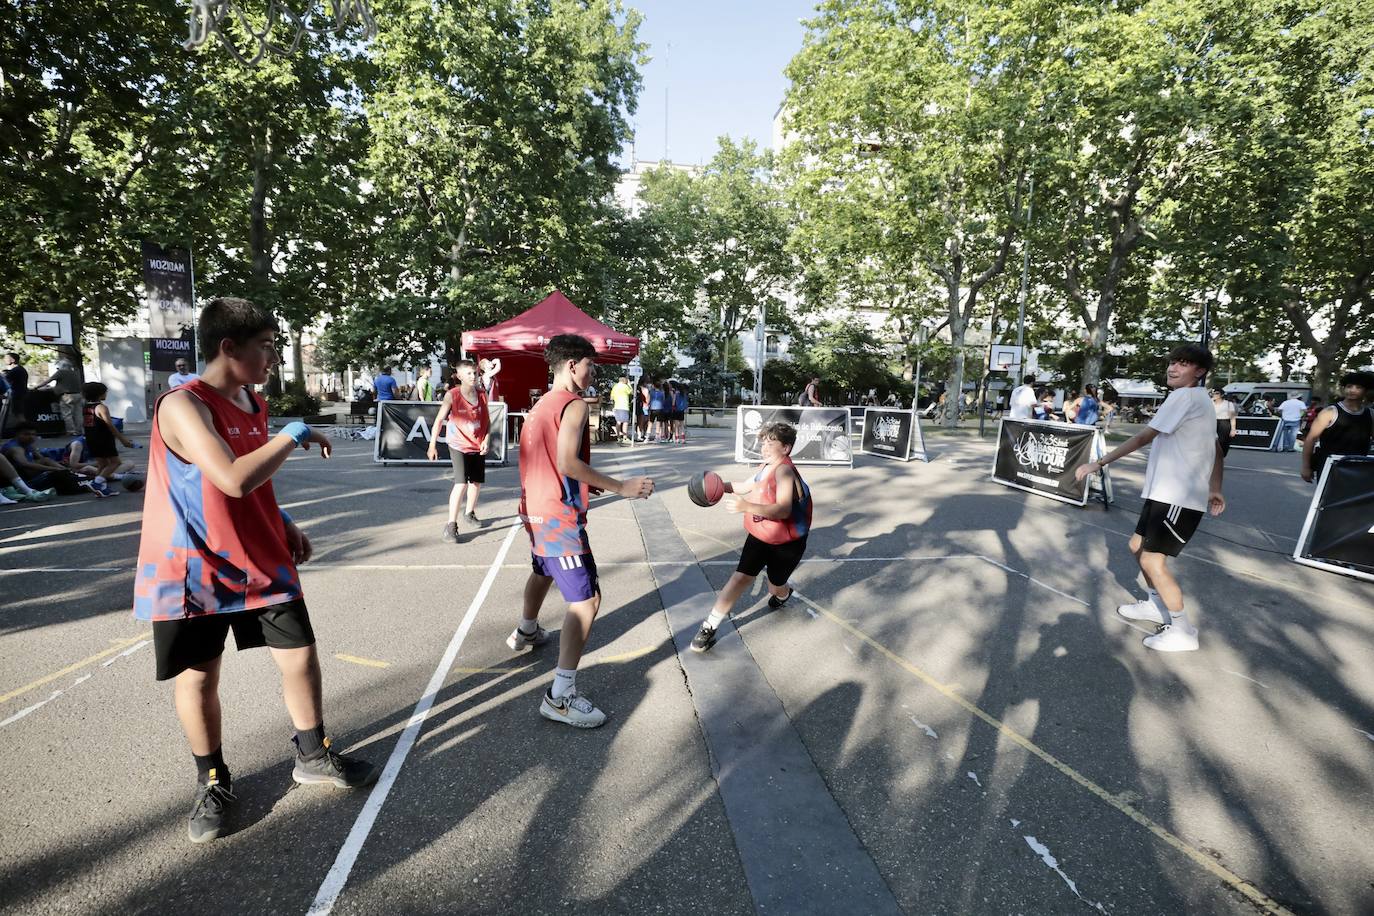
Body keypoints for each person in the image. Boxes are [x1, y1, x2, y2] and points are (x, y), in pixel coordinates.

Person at [132, 296, 378, 845]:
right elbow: (231, 478)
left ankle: (313, 753)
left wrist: (284, 519)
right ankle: (213, 779)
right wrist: (293, 434)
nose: (273, 359)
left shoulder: (249, 399)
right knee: (199, 675)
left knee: (300, 655)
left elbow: (254, 480)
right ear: (228, 347)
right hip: (195, 565)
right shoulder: (182, 405)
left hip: (260, 554)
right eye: (266, 348)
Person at [507, 334, 654, 727]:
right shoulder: (572, 406)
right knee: (587, 601)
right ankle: (560, 696)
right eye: (591, 365)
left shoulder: (538, 407)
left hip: (533, 509)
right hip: (558, 516)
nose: (594, 373)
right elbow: (568, 463)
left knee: (542, 569)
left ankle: (526, 630)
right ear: (572, 365)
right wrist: (621, 486)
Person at [1075, 344, 1225, 653]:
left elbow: (1143, 436)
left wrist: (1098, 463)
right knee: (1136, 547)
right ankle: (1157, 604)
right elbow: (1217, 448)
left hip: (1178, 497)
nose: (1173, 368)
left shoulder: (1186, 396)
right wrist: (1215, 487)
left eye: (1182, 364)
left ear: (1199, 372)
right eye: (1172, 362)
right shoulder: (1197, 400)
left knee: (1152, 560)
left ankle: (1184, 630)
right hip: (1164, 493)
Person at [691, 422, 813, 653]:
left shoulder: (784, 471)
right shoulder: (765, 466)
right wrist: (718, 487)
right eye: (763, 442)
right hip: (761, 535)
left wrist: (746, 507)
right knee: (740, 578)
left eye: (771, 443)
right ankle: (710, 625)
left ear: (785, 448)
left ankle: (783, 594)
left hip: (787, 543)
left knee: (775, 586)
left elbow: (784, 510)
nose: (764, 447)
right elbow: (746, 485)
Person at [427, 359, 490, 542]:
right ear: (459, 376)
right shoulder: (452, 395)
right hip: (457, 444)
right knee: (461, 483)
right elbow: (439, 421)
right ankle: (450, 525)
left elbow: (487, 421)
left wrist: (486, 439)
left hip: (476, 443)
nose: (473, 376)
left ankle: (469, 513)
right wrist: (432, 445)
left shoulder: (482, 394)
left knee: (476, 482)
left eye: (475, 373)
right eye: (468, 373)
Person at [1301, 371, 1373, 483]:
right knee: (1327, 500)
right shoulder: (1329, 412)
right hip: (1330, 466)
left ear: (1366, 391)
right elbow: (1310, 439)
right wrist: (1306, 466)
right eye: (1349, 386)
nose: (1352, 390)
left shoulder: (1371, 414)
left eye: (1358, 387)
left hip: (1358, 467)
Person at [2, 422, 103, 496]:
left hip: (32, 475)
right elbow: (25, 464)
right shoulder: (15, 448)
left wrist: (58, 465)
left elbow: (42, 459)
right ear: (17, 435)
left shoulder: (27, 444)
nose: (31, 437)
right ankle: (75, 475)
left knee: (49, 461)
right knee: (58, 474)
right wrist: (54, 469)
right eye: (26, 434)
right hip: (24, 480)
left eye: (33, 434)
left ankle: (72, 473)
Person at [81, 382, 136, 493]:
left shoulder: (86, 407)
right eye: (105, 392)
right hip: (103, 439)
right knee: (115, 463)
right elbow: (110, 425)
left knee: (103, 464)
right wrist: (123, 439)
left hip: (91, 438)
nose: (106, 394)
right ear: (99, 394)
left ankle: (102, 489)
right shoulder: (101, 407)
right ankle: (97, 482)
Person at [37, 359, 84, 436]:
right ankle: (79, 431)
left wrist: (37, 387)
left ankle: (71, 431)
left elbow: (48, 381)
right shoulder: (75, 373)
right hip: (78, 395)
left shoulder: (61, 372)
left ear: (62, 366)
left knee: (67, 414)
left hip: (67, 396)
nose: (57, 369)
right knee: (78, 414)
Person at [3, 352, 28, 427]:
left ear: (13, 360)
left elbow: (4, 381)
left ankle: (25, 430)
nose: (5, 360)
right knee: (18, 414)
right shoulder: (21, 369)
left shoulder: (15, 370)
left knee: (19, 414)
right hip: (21, 394)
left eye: (7, 358)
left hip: (17, 395)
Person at [1211, 388, 1238, 457]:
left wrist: (1233, 429)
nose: (1214, 395)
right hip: (1213, 422)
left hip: (1224, 423)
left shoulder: (1228, 404)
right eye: (1213, 393)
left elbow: (1232, 417)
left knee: (1222, 442)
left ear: (1222, 395)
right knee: (1211, 442)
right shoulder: (1210, 403)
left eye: (1217, 393)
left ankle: (1220, 457)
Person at [609, 375, 633, 442]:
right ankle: (625, 437)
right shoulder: (625, 386)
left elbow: (611, 398)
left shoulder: (615, 386)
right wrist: (629, 384)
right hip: (624, 406)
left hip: (617, 406)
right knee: (625, 422)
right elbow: (632, 392)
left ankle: (618, 437)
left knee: (618, 421)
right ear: (624, 380)